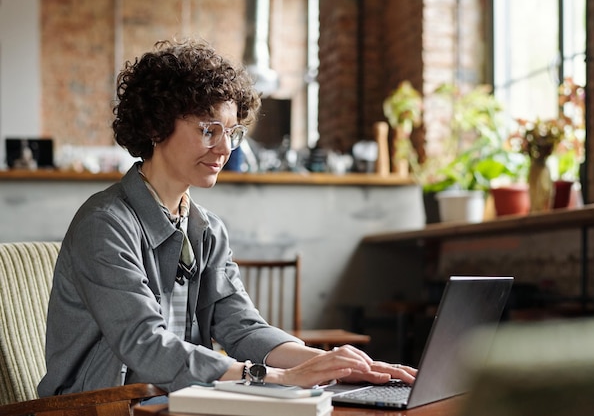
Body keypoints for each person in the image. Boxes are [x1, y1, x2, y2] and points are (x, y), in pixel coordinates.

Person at [37, 38, 416, 397]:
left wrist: (333, 364)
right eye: (208, 130)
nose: (224, 148)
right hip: (99, 407)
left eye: (232, 132)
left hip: (177, 401)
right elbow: (145, 345)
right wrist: (274, 377)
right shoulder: (104, 224)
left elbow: (242, 327)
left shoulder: (207, 230)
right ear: (155, 126)